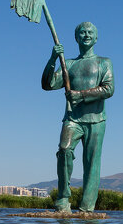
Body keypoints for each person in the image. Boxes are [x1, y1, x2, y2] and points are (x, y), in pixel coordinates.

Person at [41, 22, 114, 212]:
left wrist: (80, 95)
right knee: (64, 150)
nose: (86, 35)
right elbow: (48, 84)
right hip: (73, 119)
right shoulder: (70, 64)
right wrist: (53, 58)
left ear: (96, 38)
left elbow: (108, 89)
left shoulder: (104, 62)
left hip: (96, 119)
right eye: (82, 32)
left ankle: (86, 208)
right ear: (76, 37)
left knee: (91, 164)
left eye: (90, 32)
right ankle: (63, 199)